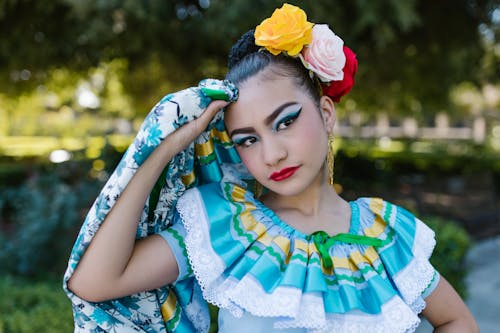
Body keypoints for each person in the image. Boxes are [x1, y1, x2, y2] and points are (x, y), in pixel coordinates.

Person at [65, 3, 478, 332]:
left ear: (326, 112)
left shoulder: (387, 235)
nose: (272, 154)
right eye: (248, 139)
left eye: (286, 121)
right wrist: (164, 147)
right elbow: (95, 283)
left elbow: (457, 320)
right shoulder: (228, 226)